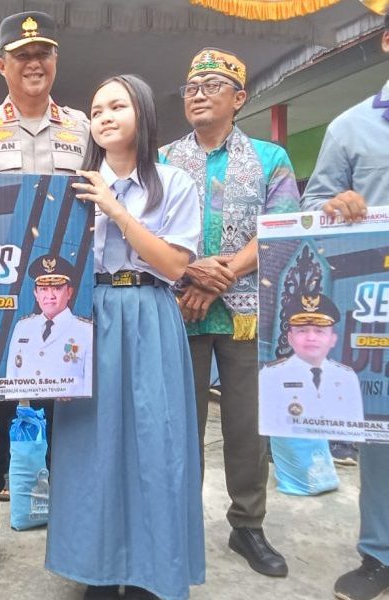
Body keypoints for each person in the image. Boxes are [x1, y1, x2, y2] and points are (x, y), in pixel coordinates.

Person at [47, 74, 204, 600]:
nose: (105, 117)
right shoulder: (71, 188)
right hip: (88, 318)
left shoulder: (174, 183)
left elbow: (175, 265)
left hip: (149, 314)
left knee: (155, 444)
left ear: (143, 112)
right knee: (90, 445)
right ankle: (98, 570)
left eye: (117, 106)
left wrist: (115, 210)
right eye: (96, 111)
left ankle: (149, 571)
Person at [0, 10, 90, 578]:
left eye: (43, 54)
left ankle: (75, 528)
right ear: (1, 65)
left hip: (67, 296)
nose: (34, 63)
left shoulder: (83, 129)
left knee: (67, 415)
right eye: (22, 55)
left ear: (56, 60)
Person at [161, 47, 300, 578]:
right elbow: (149, 232)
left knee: (248, 425)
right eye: (192, 88)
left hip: (246, 315)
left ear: (239, 98)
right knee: (181, 425)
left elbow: (280, 228)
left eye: (212, 86)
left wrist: (219, 277)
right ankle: (178, 522)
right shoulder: (163, 160)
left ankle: (247, 524)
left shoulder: (270, 159)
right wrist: (191, 272)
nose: (198, 95)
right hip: (181, 309)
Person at [300, 11, 389, 600]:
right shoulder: (351, 127)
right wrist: (336, 208)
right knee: (381, 431)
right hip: (375, 302)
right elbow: (310, 211)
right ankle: (379, 553)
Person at [260, 293, 364, 440]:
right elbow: (266, 428)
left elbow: (355, 432)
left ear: (333, 339)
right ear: (290, 338)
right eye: (302, 331)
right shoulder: (271, 375)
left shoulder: (347, 377)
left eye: (319, 331)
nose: (311, 338)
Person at [6, 254, 92, 397]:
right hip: (28, 407)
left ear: (69, 292)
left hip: (67, 408)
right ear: (36, 294)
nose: (50, 295)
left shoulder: (86, 331)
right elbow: (12, 379)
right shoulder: (22, 327)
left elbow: (89, 387)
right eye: (44, 289)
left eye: (57, 288)